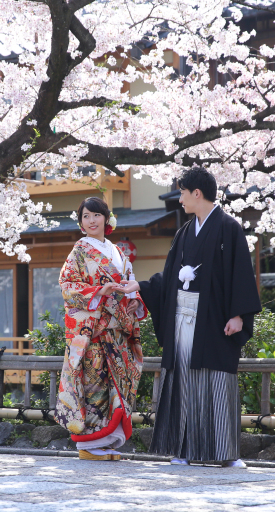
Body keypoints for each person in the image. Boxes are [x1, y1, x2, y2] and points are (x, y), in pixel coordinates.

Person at [120, 167, 261, 467]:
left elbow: (241, 274)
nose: (180, 199)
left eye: (183, 193)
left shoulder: (229, 227)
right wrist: (141, 286)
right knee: (182, 380)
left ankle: (226, 454)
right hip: (183, 319)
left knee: (217, 382)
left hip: (215, 320)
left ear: (197, 193)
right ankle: (182, 450)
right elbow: (171, 275)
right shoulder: (184, 232)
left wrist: (238, 314)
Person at [55, 197, 147, 461]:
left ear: (107, 218)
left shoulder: (117, 251)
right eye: (85, 216)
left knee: (115, 386)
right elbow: (68, 286)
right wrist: (99, 291)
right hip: (94, 331)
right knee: (94, 384)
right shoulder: (79, 251)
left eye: (96, 215)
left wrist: (134, 302)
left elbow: (129, 283)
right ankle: (90, 444)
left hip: (118, 331)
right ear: (80, 222)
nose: (91, 221)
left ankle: (107, 442)